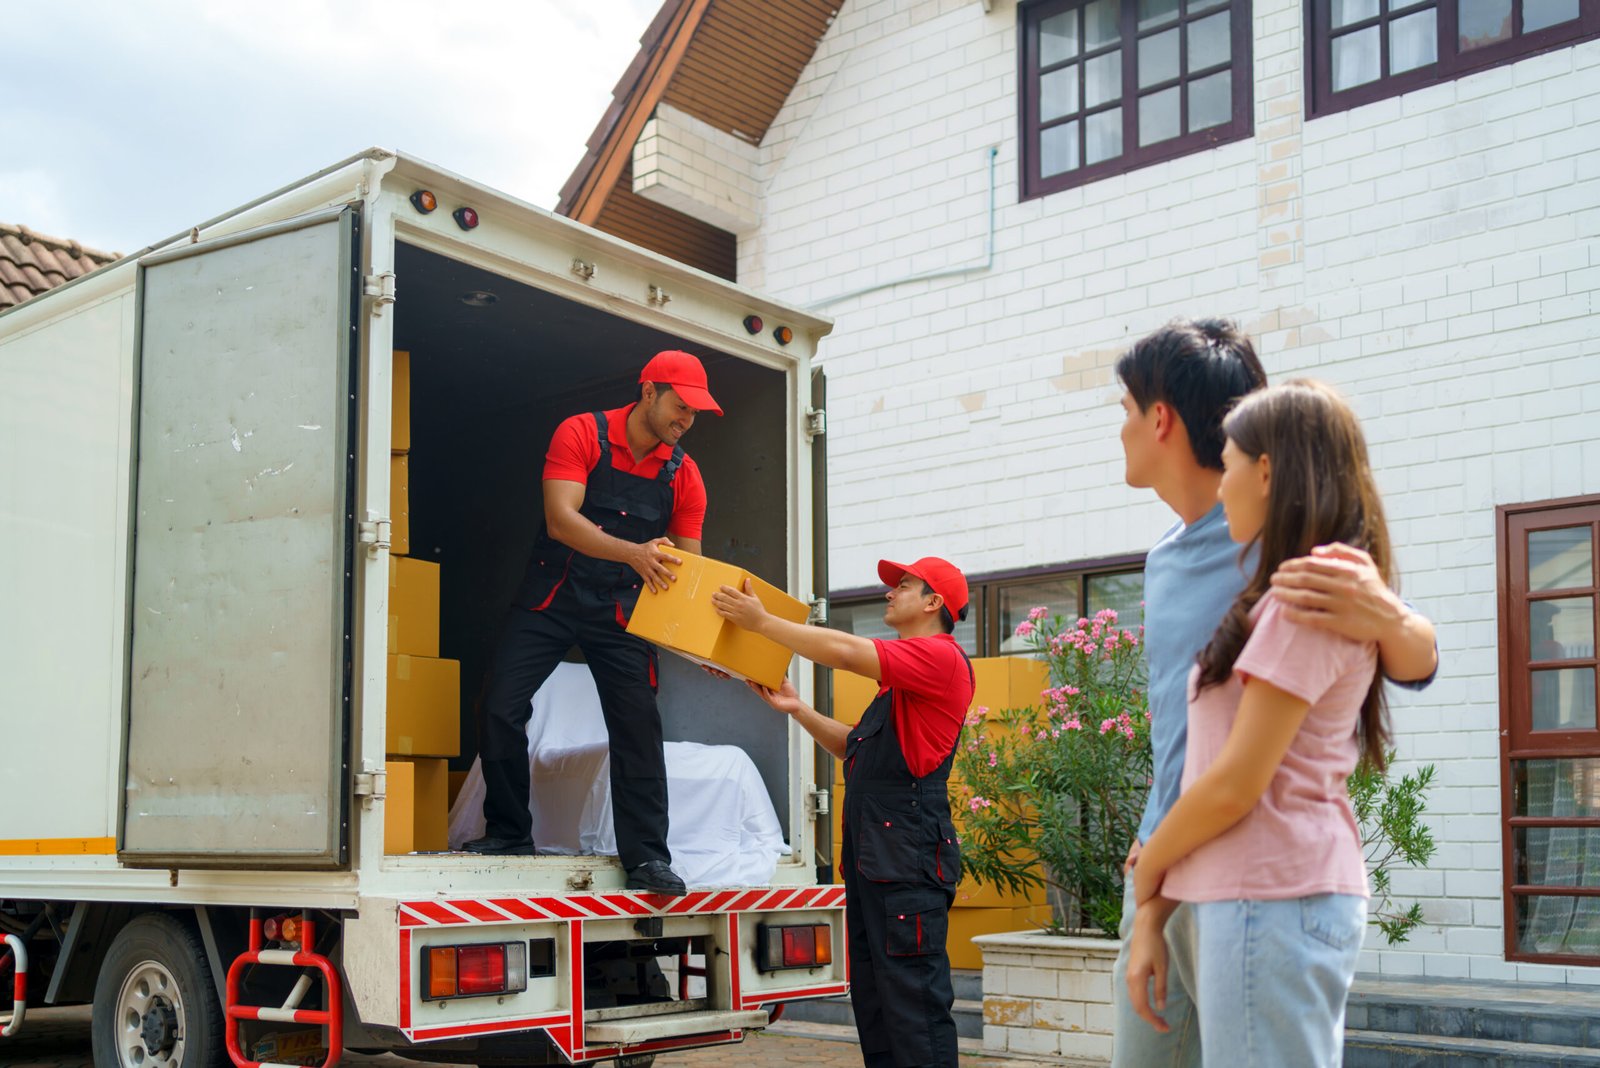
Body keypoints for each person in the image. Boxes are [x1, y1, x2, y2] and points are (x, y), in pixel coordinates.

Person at [1108, 320, 1438, 1067]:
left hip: (1258, 875)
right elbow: (1186, 731)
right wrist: (1151, 863)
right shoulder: (1162, 560)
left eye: (1123, 409)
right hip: (1168, 864)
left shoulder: (1284, 544)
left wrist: (1392, 616)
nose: (1118, 429)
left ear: (1159, 417)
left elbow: (1408, 658)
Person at [463, 350, 720, 897]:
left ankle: (648, 857)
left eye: (696, 413)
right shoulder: (580, 433)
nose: (686, 421)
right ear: (648, 391)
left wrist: (710, 653)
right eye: (681, 406)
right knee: (500, 705)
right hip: (552, 595)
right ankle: (509, 832)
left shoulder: (685, 475)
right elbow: (561, 520)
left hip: (622, 611)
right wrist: (634, 553)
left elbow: (689, 575)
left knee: (637, 726)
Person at [711, 557, 975, 1068]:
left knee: (914, 1009)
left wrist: (762, 622)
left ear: (933, 602)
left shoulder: (939, 659)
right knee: (877, 1006)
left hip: (907, 864)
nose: (889, 594)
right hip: (881, 862)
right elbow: (857, 748)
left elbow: (848, 653)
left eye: (903, 585)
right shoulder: (900, 686)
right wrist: (799, 709)